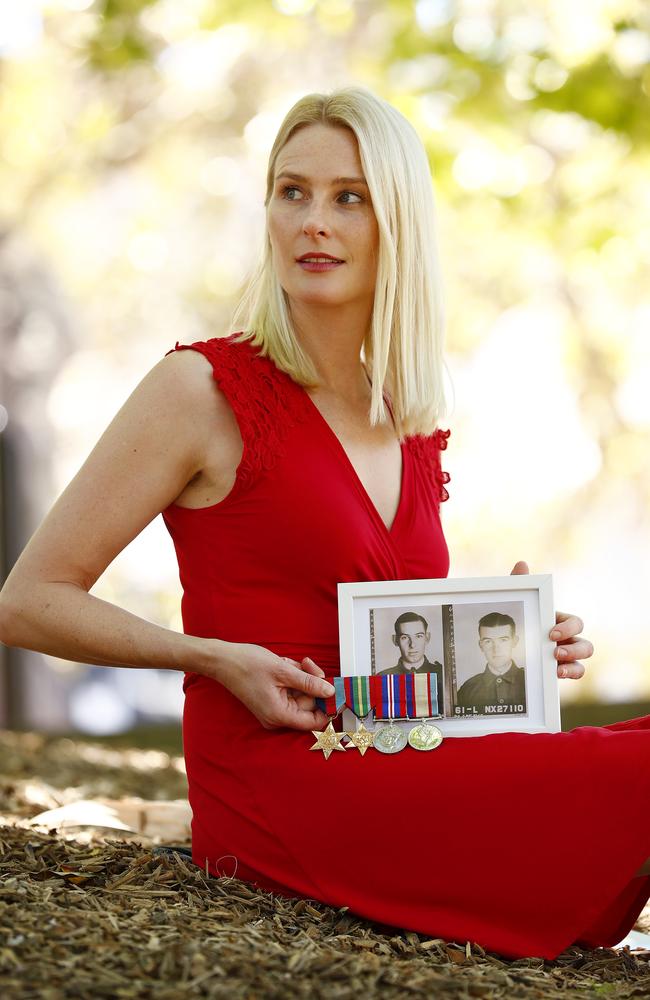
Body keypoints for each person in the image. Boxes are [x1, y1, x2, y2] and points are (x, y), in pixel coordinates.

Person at [1, 85, 650, 963]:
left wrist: (516, 646)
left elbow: (394, 658)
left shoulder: (406, 416)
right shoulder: (200, 391)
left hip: (397, 764)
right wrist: (212, 657)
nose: (313, 221)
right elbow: (29, 600)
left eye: (349, 198)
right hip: (279, 788)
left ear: (398, 225)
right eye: (291, 192)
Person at [376, 611, 444, 716]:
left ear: (427, 638)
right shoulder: (382, 678)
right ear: (395, 640)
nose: (412, 645)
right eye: (405, 637)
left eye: (418, 636)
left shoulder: (442, 674)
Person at [456, 612, 526, 712]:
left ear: (515, 641)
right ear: (481, 645)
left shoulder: (530, 682)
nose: (496, 649)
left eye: (503, 640)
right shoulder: (467, 689)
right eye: (488, 641)